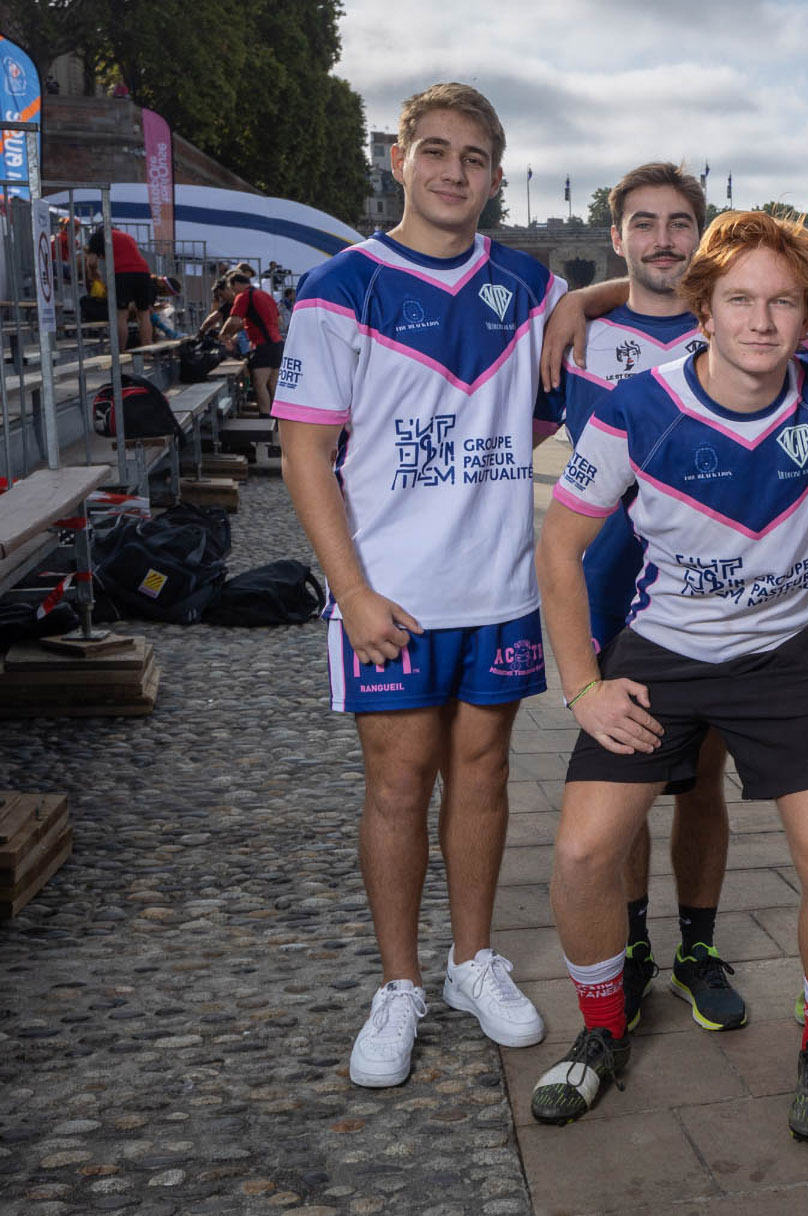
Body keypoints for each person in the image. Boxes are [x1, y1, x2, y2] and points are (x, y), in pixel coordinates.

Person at [529, 210, 808, 1144]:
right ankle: (599, 1033)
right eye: (740, 299)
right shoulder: (639, 408)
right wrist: (583, 686)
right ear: (702, 308)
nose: (760, 320)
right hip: (662, 651)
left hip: (787, 657)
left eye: (783, 302)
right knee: (584, 856)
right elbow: (560, 543)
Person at [272, 81, 559, 1090]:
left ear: (495, 175)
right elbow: (305, 453)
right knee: (398, 783)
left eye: (475, 158)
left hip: (498, 587)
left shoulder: (529, 285)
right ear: (398, 157)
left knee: (481, 776)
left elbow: (598, 349)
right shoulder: (340, 287)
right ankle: (397, 984)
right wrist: (348, 590)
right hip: (387, 593)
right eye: (434, 151)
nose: (453, 172)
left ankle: (471, 962)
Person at [537, 161, 745, 1033]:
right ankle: (630, 946)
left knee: (700, 786)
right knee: (618, 788)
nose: (664, 239)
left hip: (707, 602)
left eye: (680, 223)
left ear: (701, 236)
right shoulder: (579, 331)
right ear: (615, 236)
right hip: (609, 591)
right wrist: (575, 302)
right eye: (645, 223)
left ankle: (696, 948)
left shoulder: (732, 328)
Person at [218, 271, 285, 414]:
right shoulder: (265, 295)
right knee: (273, 385)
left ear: (236, 284)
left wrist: (223, 334)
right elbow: (279, 321)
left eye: (232, 288)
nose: (233, 293)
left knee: (260, 384)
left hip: (263, 345)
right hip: (277, 344)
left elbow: (234, 320)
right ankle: (279, 420)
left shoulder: (244, 296)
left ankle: (266, 418)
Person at [85, 227, 155, 349]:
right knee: (144, 314)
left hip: (123, 274)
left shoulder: (99, 236)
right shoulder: (127, 237)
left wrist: (94, 274)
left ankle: (120, 351)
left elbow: (91, 262)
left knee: (121, 314)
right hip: (143, 272)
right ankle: (147, 351)